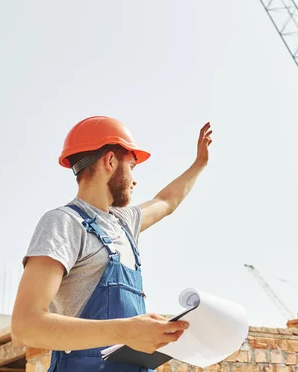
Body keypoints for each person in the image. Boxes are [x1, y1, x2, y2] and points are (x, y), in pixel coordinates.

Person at [11, 116, 213, 371]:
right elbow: (25, 327)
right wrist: (124, 331)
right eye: (132, 166)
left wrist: (199, 164)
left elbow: (167, 201)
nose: (134, 180)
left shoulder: (124, 223)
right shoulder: (64, 223)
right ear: (110, 161)